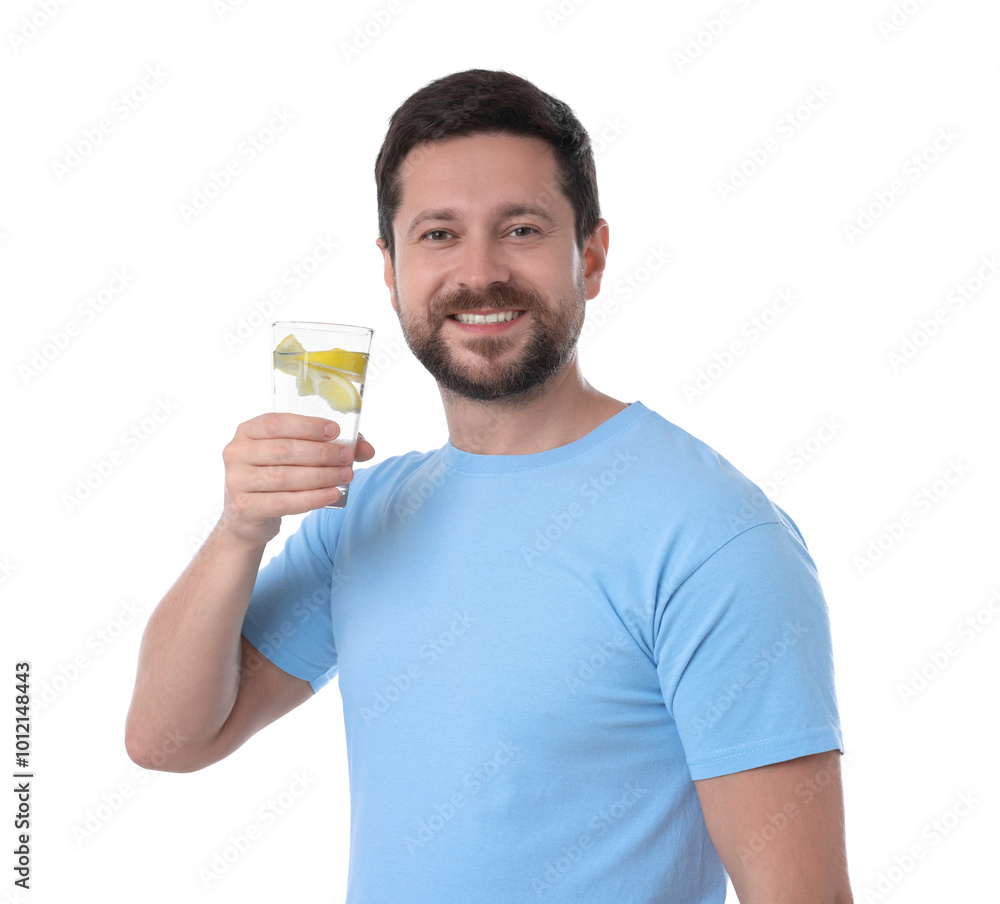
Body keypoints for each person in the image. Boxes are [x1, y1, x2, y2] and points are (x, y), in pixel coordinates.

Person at [126, 69, 853, 903]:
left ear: (592, 255)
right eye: (438, 234)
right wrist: (238, 533)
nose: (479, 273)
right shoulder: (362, 515)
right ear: (390, 269)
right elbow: (166, 740)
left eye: (520, 229)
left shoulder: (713, 536)